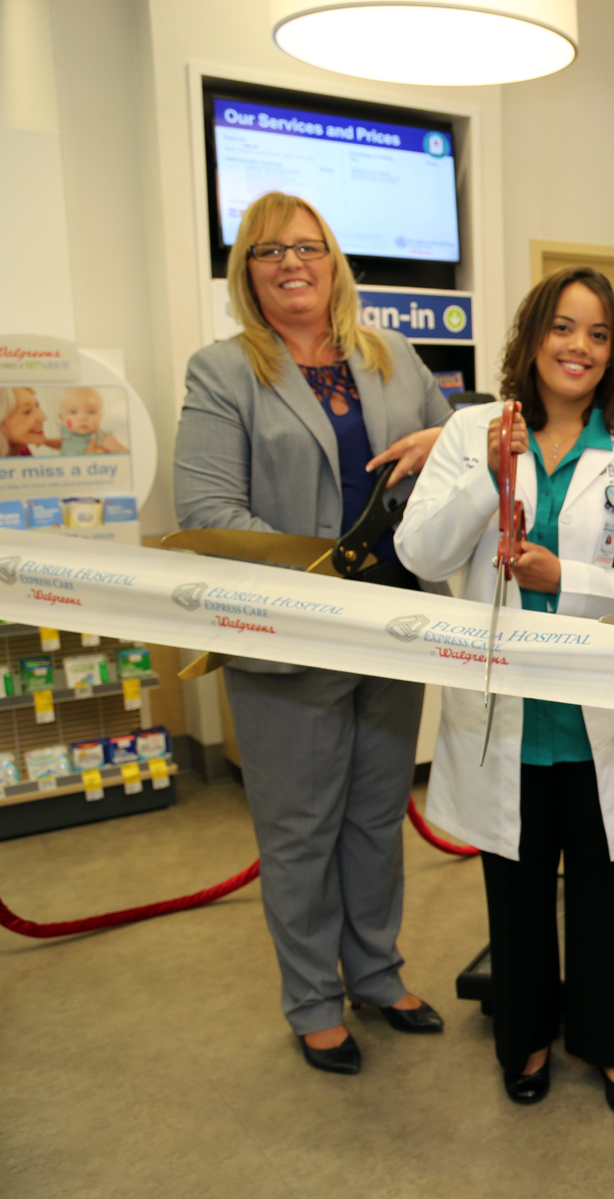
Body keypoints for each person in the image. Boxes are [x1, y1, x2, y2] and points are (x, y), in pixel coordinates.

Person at [396, 267, 614, 1114]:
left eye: (598, 335)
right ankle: (524, 1034)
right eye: (564, 329)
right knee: (518, 892)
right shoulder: (469, 433)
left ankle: (612, 1044)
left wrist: (568, 576)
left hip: (603, 715)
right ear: (532, 338)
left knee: (607, 892)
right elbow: (422, 553)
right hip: (506, 716)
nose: (579, 348)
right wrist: (483, 471)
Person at [174, 191, 452, 1075]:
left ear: (333, 261)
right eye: (268, 251)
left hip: (392, 624)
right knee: (298, 831)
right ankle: (311, 1001)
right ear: (245, 273)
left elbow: (451, 466)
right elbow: (210, 511)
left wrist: (441, 455)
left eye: (307, 247)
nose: (291, 263)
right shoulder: (223, 372)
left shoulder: (391, 355)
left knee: (375, 815)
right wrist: (323, 578)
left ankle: (375, 971)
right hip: (287, 633)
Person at [55, 388, 127, 455]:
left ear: (100, 416)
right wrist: (46, 441)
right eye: (73, 412)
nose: (82, 418)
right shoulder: (67, 432)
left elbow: (131, 457)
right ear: (62, 418)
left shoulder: (103, 438)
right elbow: (64, 443)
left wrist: (118, 448)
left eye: (90, 412)